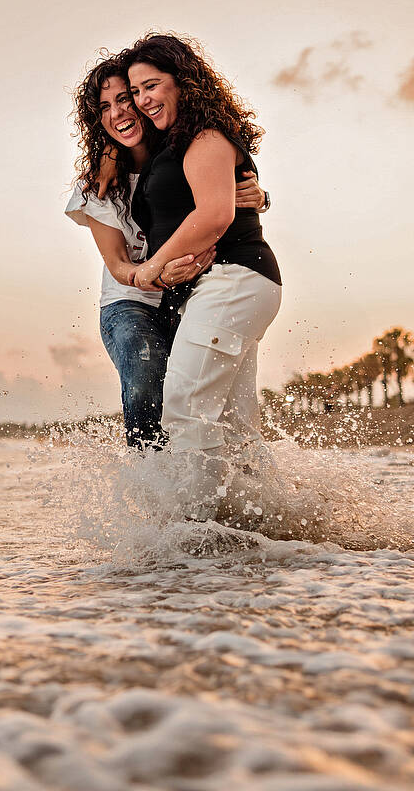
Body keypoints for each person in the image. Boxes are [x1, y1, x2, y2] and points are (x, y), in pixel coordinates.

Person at [65, 53, 268, 450]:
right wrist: (152, 273)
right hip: (131, 302)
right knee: (146, 383)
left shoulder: (182, 150)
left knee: (228, 411)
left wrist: (261, 196)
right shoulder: (98, 185)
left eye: (127, 97)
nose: (120, 111)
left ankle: (247, 500)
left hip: (193, 295)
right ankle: (156, 493)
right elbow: (118, 265)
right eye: (104, 107)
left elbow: (220, 198)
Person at [123, 33, 283, 518]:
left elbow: (215, 215)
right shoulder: (173, 145)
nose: (144, 100)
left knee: (186, 403)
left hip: (234, 279)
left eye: (152, 85)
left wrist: (152, 269)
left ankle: (194, 536)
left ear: (183, 82)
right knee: (234, 425)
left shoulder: (206, 136)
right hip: (225, 286)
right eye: (136, 92)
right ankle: (274, 521)